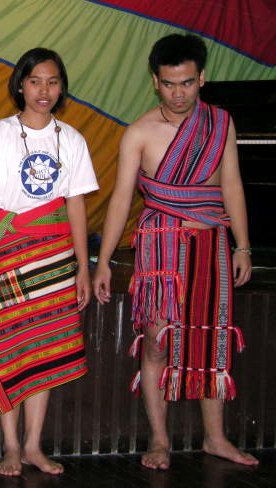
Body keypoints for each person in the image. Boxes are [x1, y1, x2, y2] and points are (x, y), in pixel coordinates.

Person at [92, 33, 258, 469]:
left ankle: (216, 438)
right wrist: (105, 261)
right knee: (157, 343)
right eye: (169, 84)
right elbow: (121, 199)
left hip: (212, 244)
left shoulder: (220, 123)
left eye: (186, 82)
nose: (178, 92)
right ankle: (160, 441)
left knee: (210, 340)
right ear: (155, 81)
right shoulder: (140, 133)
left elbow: (232, 185)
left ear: (202, 77)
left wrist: (243, 245)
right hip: (160, 244)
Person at [0, 48, 97, 476]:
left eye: (52, 82)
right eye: (35, 81)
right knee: (10, 346)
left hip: (54, 257)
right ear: (20, 85)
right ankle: (11, 445)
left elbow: (76, 206)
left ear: (62, 87)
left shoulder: (71, 140)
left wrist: (83, 267)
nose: (43, 90)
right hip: (8, 254)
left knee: (46, 348)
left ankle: (34, 445)